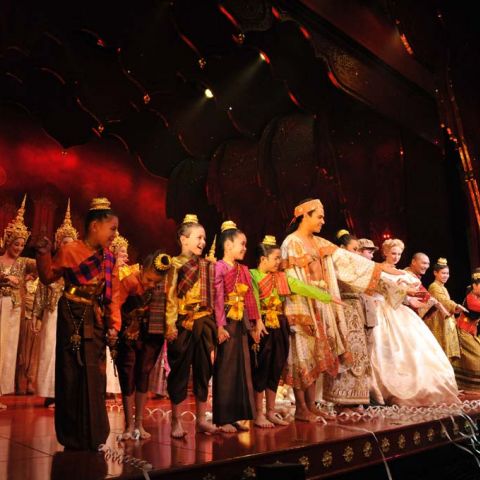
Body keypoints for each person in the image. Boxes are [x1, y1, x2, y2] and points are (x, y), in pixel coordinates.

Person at [281, 199, 404, 420]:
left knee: (317, 355)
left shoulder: (319, 242)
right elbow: (292, 281)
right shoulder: (291, 243)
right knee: (301, 356)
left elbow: (349, 261)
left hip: (320, 305)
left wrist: (379, 268)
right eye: (319, 216)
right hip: (301, 305)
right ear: (304, 216)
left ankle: (310, 405)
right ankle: (301, 408)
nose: (323, 220)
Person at [35, 197, 120, 450]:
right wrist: (42, 254)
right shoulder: (71, 250)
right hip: (71, 313)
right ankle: (71, 435)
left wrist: (114, 324)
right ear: (95, 226)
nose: (114, 235)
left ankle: (94, 434)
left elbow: (112, 295)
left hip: (94, 318)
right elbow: (48, 277)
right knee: (71, 372)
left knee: (95, 375)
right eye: (112, 229)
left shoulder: (109, 259)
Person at [249, 235, 337, 428]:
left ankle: (271, 412)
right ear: (263, 259)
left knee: (275, 367)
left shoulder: (281, 278)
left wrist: (327, 297)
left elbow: (302, 287)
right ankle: (259, 414)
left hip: (280, 324)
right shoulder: (253, 275)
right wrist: (257, 321)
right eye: (275, 259)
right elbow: (253, 298)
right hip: (263, 324)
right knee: (262, 369)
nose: (279, 262)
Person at [369, 239, 459, 406]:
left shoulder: (403, 275)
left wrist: (415, 301)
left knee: (416, 348)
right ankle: (385, 390)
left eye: (399, 254)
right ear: (385, 253)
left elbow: (408, 297)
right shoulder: (377, 268)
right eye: (393, 253)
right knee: (386, 348)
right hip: (381, 309)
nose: (396, 257)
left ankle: (426, 387)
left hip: (400, 311)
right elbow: (375, 288)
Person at [166, 214, 218, 438]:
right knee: (179, 373)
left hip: (204, 322)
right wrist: (170, 325)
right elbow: (169, 297)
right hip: (183, 323)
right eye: (198, 237)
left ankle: (201, 420)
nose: (202, 242)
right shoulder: (173, 264)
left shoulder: (206, 265)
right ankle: (176, 421)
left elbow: (214, 298)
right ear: (183, 239)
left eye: (204, 238)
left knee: (203, 371)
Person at [113, 250, 172, 440]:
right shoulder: (129, 281)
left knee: (143, 375)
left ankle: (139, 423)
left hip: (150, 336)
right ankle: (128, 425)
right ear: (142, 269)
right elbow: (115, 305)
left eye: (155, 282)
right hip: (129, 335)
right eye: (148, 279)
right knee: (128, 375)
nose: (151, 285)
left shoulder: (161, 287)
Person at [213, 220, 260, 433]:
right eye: (242, 243)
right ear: (228, 245)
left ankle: (237, 415)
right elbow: (218, 298)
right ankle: (223, 418)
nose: (245, 248)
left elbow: (250, 299)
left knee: (242, 368)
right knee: (226, 369)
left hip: (241, 324)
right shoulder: (219, 267)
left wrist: (256, 323)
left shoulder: (244, 270)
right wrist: (220, 326)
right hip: (227, 324)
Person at [34, 200, 78, 407]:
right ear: (58, 243)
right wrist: (36, 315)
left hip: (70, 313)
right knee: (49, 350)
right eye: (64, 242)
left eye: (71, 242)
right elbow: (43, 288)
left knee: (67, 352)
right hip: (52, 313)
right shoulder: (52, 264)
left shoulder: (76, 266)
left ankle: (66, 393)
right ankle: (49, 392)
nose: (67, 246)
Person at [0, 195, 36, 409]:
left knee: (8, 349)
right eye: (16, 243)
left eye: (22, 244)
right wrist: (3, 278)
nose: (19, 247)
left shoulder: (24, 263)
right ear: (8, 241)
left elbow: (45, 267)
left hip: (14, 311)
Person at [106, 231, 130, 399]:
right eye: (122, 251)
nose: (126, 254)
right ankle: (107, 387)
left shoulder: (128, 270)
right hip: (111, 313)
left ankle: (115, 387)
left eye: (126, 251)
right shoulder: (111, 270)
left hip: (124, 315)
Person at [426, 258, 464, 361]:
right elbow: (443, 301)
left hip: (445, 319)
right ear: (435, 273)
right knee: (441, 351)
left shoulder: (443, 287)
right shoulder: (434, 287)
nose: (446, 276)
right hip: (438, 321)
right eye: (443, 273)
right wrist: (455, 306)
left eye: (447, 273)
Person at [452, 268, 480, 395]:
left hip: (471, 332)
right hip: (463, 331)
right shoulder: (471, 298)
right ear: (474, 285)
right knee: (476, 358)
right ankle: (469, 387)